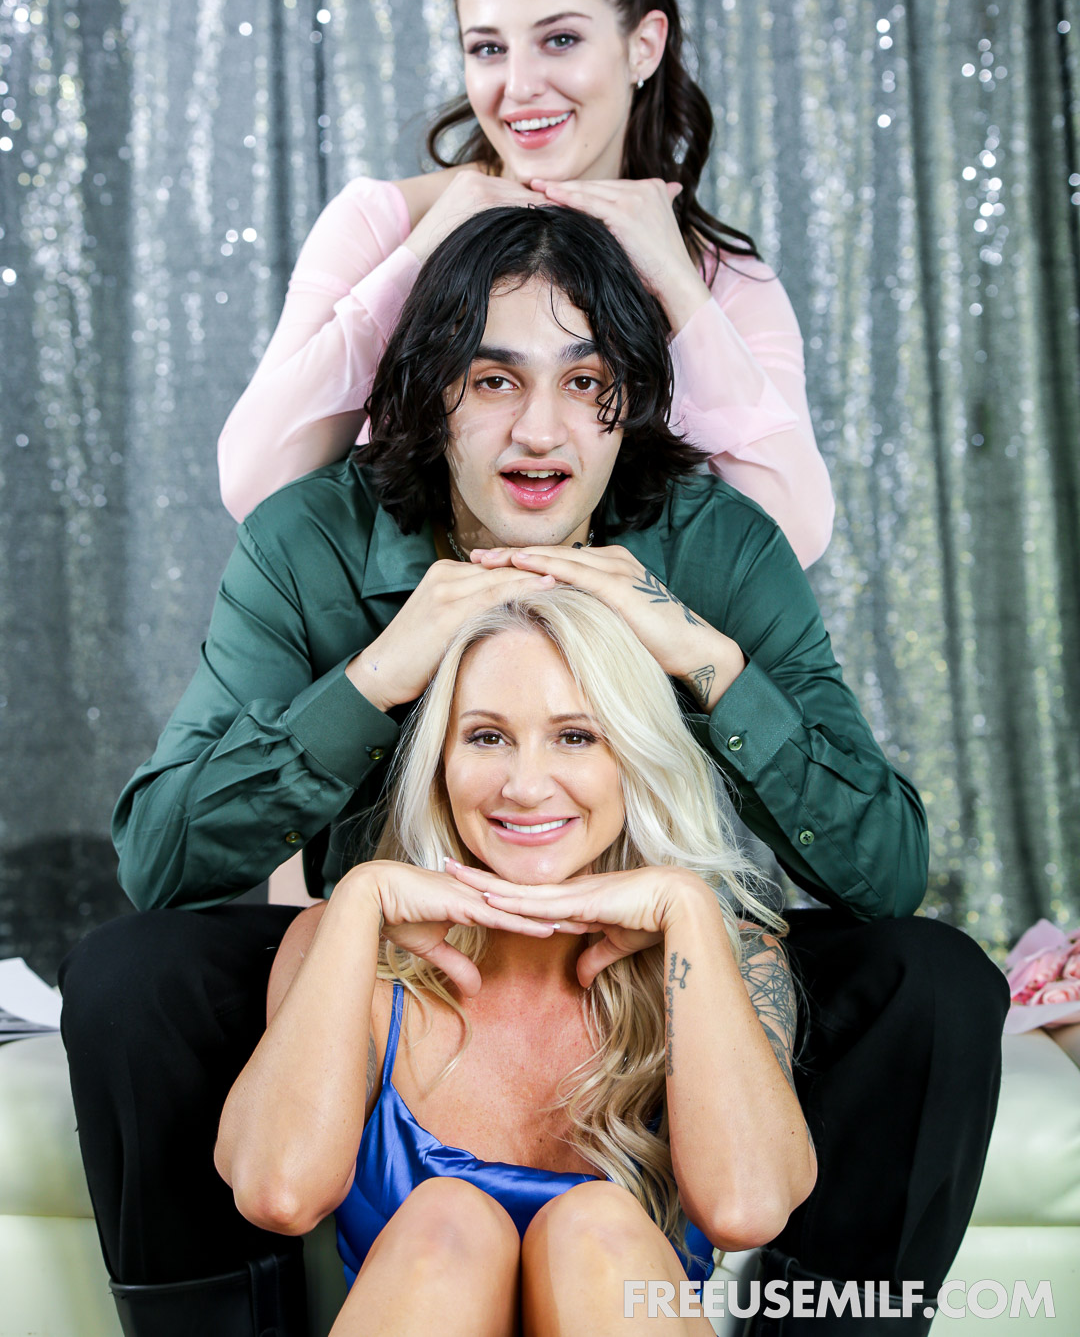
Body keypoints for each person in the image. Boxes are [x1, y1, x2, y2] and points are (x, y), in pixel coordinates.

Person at [61, 205, 1007, 1337]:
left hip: (643, 949)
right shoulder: (309, 541)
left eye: (586, 382)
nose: (541, 431)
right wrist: (378, 676)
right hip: (412, 952)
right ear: (430, 396)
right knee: (129, 977)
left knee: (935, 982)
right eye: (494, 381)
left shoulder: (717, 543)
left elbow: (886, 869)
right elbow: (162, 857)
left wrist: (703, 660)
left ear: (630, 404)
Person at [215, 585, 818, 1335]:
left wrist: (688, 911)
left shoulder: (731, 956)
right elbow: (277, 1193)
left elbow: (745, 1210)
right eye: (486, 737)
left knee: (598, 1228)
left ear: (635, 756)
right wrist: (360, 899)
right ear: (439, 762)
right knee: (446, 1223)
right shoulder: (343, 943)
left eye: (577, 737)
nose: (525, 787)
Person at [216, 0, 834, 569]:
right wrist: (417, 257)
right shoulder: (381, 223)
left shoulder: (722, 279)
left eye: (560, 40)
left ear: (643, 45)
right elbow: (255, 487)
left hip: (631, 640)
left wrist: (677, 286)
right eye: (488, 48)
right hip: (403, 633)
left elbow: (794, 537)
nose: (518, 86)